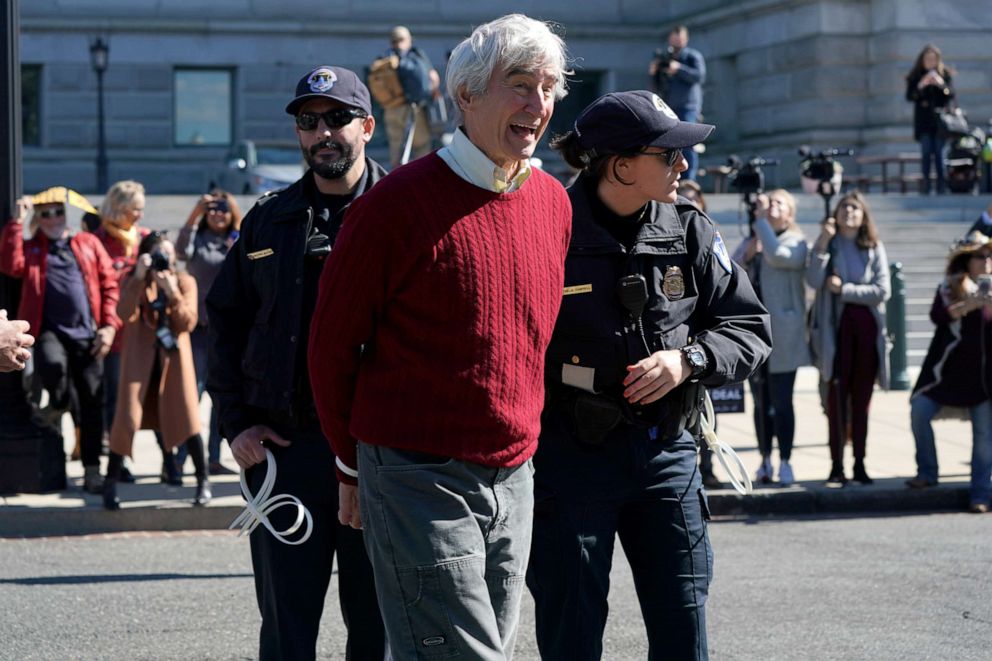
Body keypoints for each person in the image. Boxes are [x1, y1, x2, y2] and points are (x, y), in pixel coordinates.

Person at [307, 14, 572, 660]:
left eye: (549, 87)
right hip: (415, 476)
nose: (538, 105)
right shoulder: (391, 208)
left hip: (515, 477)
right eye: (520, 84)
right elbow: (330, 348)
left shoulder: (554, 203)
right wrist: (350, 463)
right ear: (466, 96)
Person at [525, 90, 771, 661]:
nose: (684, 165)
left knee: (683, 624)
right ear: (621, 165)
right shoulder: (547, 230)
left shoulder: (690, 229)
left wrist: (691, 360)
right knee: (571, 626)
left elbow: (749, 328)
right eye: (670, 154)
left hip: (667, 454)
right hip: (571, 458)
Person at [206, 65, 386, 661]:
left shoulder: (400, 213)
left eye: (337, 119)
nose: (322, 133)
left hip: (380, 456)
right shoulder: (268, 218)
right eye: (309, 122)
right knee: (286, 632)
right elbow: (223, 325)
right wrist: (235, 423)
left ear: (367, 126)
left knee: (379, 628)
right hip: (285, 453)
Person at [0, 189, 121, 494]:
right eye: (45, 214)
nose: (53, 218)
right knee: (54, 371)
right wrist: (16, 222)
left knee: (92, 401)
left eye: (57, 212)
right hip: (49, 331)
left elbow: (109, 285)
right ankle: (57, 405)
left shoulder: (87, 243)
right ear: (38, 220)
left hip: (87, 333)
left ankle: (92, 471)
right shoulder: (32, 248)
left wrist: (109, 327)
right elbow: (10, 264)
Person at [103, 232, 210, 510]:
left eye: (168, 253)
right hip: (140, 362)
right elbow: (124, 313)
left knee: (188, 420)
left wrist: (172, 291)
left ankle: (202, 481)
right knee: (125, 420)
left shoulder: (185, 281)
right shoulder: (137, 281)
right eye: (158, 255)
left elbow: (188, 322)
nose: (165, 259)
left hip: (174, 363)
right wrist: (138, 278)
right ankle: (110, 484)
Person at [806, 191, 890, 487]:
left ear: (863, 214)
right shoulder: (829, 244)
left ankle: (860, 463)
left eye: (854, 208)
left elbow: (882, 290)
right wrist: (822, 241)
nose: (849, 212)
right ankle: (837, 464)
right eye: (844, 208)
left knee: (862, 402)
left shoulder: (873, 246)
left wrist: (847, 290)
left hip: (866, 331)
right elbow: (813, 280)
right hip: (836, 333)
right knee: (836, 399)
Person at [907, 232, 992, 514]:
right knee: (919, 410)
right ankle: (928, 471)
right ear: (967, 260)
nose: (986, 261)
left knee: (984, 438)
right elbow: (938, 317)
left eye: (990, 255)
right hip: (946, 374)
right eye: (980, 256)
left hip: (983, 379)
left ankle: (980, 493)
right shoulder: (950, 286)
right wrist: (971, 304)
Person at [732, 189, 809, 486]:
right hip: (756, 334)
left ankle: (786, 461)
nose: (772, 207)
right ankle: (764, 459)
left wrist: (761, 221)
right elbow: (731, 268)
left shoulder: (796, 241)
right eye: (770, 202)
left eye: (779, 204)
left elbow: (779, 256)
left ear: (790, 213)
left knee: (782, 400)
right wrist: (748, 253)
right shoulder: (757, 238)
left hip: (784, 335)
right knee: (760, 401)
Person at [174, 190, 241, 476]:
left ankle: (213, 458)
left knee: (220, 398)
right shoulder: (198, 240)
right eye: (211, 209)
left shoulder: (237, 240)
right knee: (192, 396)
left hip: (227, 332)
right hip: (198, 331)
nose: (217, 213)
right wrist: (195, 211)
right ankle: (178, 459)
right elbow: (180, 251)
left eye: (223, 208)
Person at [93, 180, 151, 482]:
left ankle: (167, 461)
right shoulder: (98, 240)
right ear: (119, 208)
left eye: (141, 209)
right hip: (113, 335)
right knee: (115, 403)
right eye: (134, 210)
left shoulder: (144, 239)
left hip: (142, 334)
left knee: (143, 403)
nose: (140, 216)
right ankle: (116, 464)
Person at [648, 25, 705, 181]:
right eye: (674, 36)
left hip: (688, 106)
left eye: (679, 36)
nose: (676, 40)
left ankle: (689, 180)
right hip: (668, 106)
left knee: (688, 143)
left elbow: (699, 76)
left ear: (685, 38)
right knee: (670, 143)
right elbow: (656, 85)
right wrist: (655, 71)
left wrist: (678, 69)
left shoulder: (692, 56)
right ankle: (672, 177)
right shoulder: (665, 58)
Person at [383, 25, 441, 168]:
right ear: (409, 40)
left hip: (392, 109)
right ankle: (421, 181)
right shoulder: (417, 56)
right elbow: (434, 78)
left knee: (397, 149)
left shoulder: (385, 58)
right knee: (421, 146)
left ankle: (396, 183)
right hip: (415, 109)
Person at [905, 44, 955, 195]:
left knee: (940, 153)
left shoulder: (944, 74)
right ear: (922, 60)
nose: (930, 62)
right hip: (924, 122)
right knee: (926, 152)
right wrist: (921, 84)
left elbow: (950, 95)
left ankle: (941, 185)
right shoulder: (915, 76)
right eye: (927, 59)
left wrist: (941, 84)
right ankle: (926, 184)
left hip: (940, 122)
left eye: (933, 59)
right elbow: (910, 96)